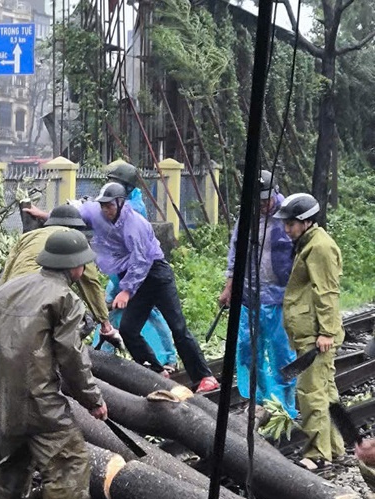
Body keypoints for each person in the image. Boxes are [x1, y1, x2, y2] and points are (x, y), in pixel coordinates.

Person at [0, 229, 107, 499]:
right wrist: (93, 400)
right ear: (74, 268)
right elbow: (72, 358)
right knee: (69, 464)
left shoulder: (6, 290)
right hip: (43, 401)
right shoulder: (66, 300)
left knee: (14, 459)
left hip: (8, 397)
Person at [79, 182, 219, 392]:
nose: (106, 210)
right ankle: (155, 371)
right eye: (103, 206)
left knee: (178, 328)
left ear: (120, 203)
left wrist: (126, 290)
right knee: (128, 330)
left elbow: (142, 260)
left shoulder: (135, 224)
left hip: (157, 276)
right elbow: (78, 210)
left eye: (110, 206)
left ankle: (204, 378)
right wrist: (44, 216)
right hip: (138, 282)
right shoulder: (102, 215)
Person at [274, 193, 345, 471]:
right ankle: (335, 447)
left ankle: (317, 453)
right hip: (310, 332)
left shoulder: (319, 248)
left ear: (306, 222)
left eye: (291, 224)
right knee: (326, 392)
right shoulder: (309, 243)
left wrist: (326, 332)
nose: (286, 229)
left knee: (311, 392)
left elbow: (326, 291)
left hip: (316, 335)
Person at [219, 170, 297, 417]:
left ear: (275, 192)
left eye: (266, 200)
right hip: (251, 293)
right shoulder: (248, 216)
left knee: (280, 350)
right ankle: (259, 397)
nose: (264, 206)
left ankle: (284, 403)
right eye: (259, 202)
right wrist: (230, 285)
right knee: (246, 347)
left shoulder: (289, 216)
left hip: (280, 296)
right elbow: (236, 250)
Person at [0, 203, 119, 343]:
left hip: (9, 298)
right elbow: (91, 284)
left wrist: (0, 299)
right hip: (41, 301)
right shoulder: (76, 241)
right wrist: (105, 324)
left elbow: (7, 269)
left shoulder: (27, 237)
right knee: (81, 318)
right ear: (76, 227)